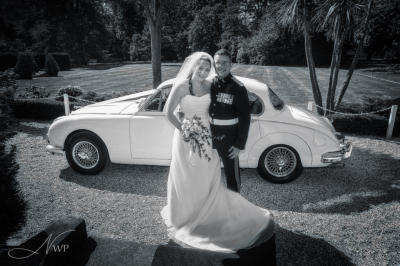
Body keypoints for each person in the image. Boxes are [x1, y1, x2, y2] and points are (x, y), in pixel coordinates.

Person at [160, 51, 275, 256]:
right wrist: (185, 129)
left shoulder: (222, 85)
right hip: (188, 138)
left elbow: (239, 115)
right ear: (193, 67)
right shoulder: (190, 85)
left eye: (208, 68)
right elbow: (171, 112)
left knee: (210, 175)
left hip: (211, 137)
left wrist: (238, 143)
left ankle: (222, 212)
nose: (205, 71)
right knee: (185, 175)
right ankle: (186, 213)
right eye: (202, 67)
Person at [209, 49, 250, 193]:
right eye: (218, 63)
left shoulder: (238, 87)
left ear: (231, 64)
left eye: (224, 62)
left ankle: (235, 204)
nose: (221, 66)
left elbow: (245, 118)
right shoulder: (211, 84)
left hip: (229, 138)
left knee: (231, 175)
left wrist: (239, 144)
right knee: (210, 172)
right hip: (211, 136)